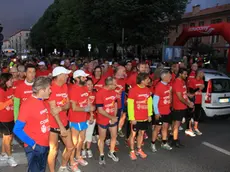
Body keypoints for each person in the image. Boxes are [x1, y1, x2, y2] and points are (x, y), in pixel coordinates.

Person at [13, 77, 51, 172]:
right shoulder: (27, 105)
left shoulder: (41, 101)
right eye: (49, 89)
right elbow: (17, 129)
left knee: (41, 169)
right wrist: (32, 144)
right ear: (42, 90)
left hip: (44, 143)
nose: (50, 91)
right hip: (36, 146)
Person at [47, 67, 76, 172]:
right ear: (59, 76)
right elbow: (54, 112)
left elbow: (68, 104)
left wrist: (61, 108)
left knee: (70, 147)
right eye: (65, 74)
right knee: (53, 150)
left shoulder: (65, 86)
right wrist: (61, 128)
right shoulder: (50, 88)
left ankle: (63, 167)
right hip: (53, 123)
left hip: (64, 120)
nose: (68, 76)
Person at [68, 70, 95, 167]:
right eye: (83, 77)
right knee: (74, 142)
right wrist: (88, 108)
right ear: (76, 78)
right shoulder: (73, 89)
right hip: (75, 119)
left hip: (84, 118)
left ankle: (78, 156)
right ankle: (71, 162)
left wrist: (91, 114)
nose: (85, 78)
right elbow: (74, 108)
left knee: (82, 139)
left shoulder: (84, 88)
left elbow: (88, 101)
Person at [128, 73, 152, 160]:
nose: (149, 81)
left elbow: (149, 103)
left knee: (141, 133)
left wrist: (149, 114)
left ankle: (139, 149)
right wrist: (132, 117)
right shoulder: (133, 90)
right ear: (142, 80)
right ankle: (132, 151)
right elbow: (130, 105)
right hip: (135, 117)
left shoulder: (147, 90)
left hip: (144, 116)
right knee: (133, 134)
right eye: (147, 79)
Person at [96, 77, 119, 165]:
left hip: (112, 118)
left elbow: (115, 104)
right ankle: (101, 154)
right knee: (102, 138)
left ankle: (111, 151)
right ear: (109, 85)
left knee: (114, 136)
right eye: (114, 84)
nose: (116, 86)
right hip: (102, 119)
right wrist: (111, 117)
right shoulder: (100, 93)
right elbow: (100, 110)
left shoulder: (114, 91)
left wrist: (114, 117)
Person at [172, 68, 194, 147]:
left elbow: (184, 94)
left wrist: (189, 101)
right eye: (184, 74)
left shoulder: (183, 82)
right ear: (180, 74)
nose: (186, 75)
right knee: (177, 124)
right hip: (178, 106)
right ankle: (175, 140)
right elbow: (180, 97)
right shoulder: (177, 82)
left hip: (183, 106)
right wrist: (188, 104)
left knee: (177, 123)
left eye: (186, 74)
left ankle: (173, 138)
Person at [151, 70, 172, 152]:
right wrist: (156, 112)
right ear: (164, 77)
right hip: (160, 112)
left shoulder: (168, 86)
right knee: (157, 128)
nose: (170, 77)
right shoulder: (159, 86)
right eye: (169, 76)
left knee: (165, 127)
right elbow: (155, 101)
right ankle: (152, 144)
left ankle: (164, 143)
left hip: (167, 111)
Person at [0, 73, 17, 167]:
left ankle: (3, 154)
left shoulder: (10, 89)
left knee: (7, 138)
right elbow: (0, 106)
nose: (12, 81)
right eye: (10, 80)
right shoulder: (1, 91)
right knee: (7, 139)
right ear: (5, 81)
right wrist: (11, 100)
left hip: (10, 117)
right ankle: (10, 157)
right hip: (3, 119)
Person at [82, 78, 96, 158]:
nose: (90, 86)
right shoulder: (83, 93)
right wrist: (90, 113)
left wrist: (92, 114)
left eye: (91, 84)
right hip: (84, 116)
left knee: (89, 133)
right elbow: (84, 106)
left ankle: (88, 148)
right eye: (88, 84)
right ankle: (83, 149)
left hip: (93, 117)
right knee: (83, 134)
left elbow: (96, 105)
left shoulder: (95, 93)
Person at [187, 70, 204, 136]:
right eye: (202, 73)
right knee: (191, 115)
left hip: (199, 100)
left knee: (197, 115)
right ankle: (190, 129)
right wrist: (198, 88)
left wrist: (202, 88)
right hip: (193, 100)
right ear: (198, 74)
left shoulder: (202, 81)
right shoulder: (192, 81)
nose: (203, 75)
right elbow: (191, 91)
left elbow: (202, 90)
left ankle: (196, 128)